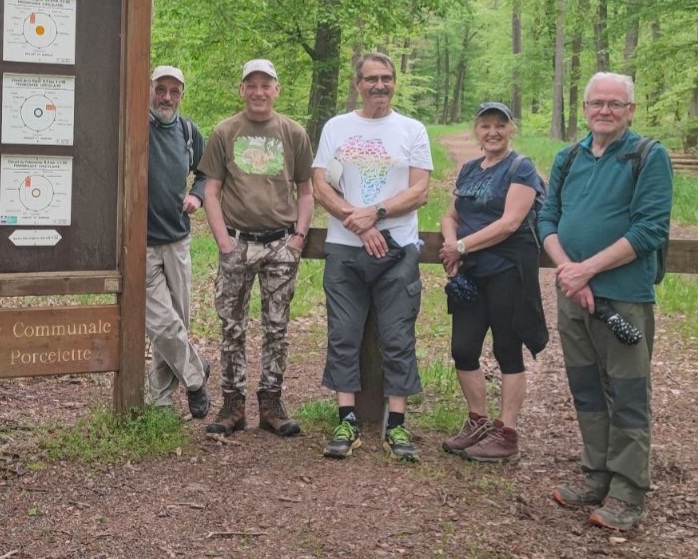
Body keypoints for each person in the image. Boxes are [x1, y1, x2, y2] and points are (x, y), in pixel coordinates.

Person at [539, 72, 673, 532]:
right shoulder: (567, 157)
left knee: (628, 395)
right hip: (574, 295)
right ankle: (595, 475)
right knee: (587, 389)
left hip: (625, 297)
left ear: (630, 110)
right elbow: (547, 217)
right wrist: (568, 273)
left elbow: (649, 229)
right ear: (584, 107)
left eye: (615, 104)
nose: (605, 111)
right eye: (597, 103)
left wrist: (587, 269)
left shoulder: (648, 156)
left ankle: (628, 491)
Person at [311, 53, 432, 462]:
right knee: (344, 333)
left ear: (394, 82)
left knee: (398, 337)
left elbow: (419, 191)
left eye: (386, 78)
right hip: (345, 248)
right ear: (357, 83)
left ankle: (396, 426)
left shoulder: (412, 130)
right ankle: (346, 419)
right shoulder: (336, 127)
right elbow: (321, 185)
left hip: (397, 247)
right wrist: (358, 224)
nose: (379, 85)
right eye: (371, 79)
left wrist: (376, 216)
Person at [200, 58, 314, 437]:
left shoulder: (293, 133)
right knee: (231, 326)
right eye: (252, 84)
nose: (259, 92)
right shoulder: (225, 131)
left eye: (266, 85)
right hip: (237, 243)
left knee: (276, 326)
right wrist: (222, 240)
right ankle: (232, 404)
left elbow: (306, 190)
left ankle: (271, 402)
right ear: (242, 89)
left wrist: (298, 237)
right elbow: (211, 190)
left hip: (280, 243)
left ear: (276, 90)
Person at [437, 101, 547, 463]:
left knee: (507, 350)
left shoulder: (521, 168)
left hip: (508, 271)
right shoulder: (469, 169)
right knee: (463, 349)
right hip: (471, 274)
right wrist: (451, 241)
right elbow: (452, 214)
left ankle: (507, 433)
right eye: (485, 126)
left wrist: (463, 246)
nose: (493, 132)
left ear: (511, 128)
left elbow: (510, 223)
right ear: (476, 131)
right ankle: (478, 422)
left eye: (500, 125)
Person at [145, 65, 211, 418]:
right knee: (161, 322)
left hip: (178, 239)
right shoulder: (135, 126)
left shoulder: (188, 132)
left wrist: (197, 196)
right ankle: (196, 374)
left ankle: (159, 402)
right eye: (161, 89)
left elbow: (207, 171)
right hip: (140, 243)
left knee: (176, 322)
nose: (166, 97)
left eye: (174, 91)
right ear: (150, 88)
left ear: (182, 95)